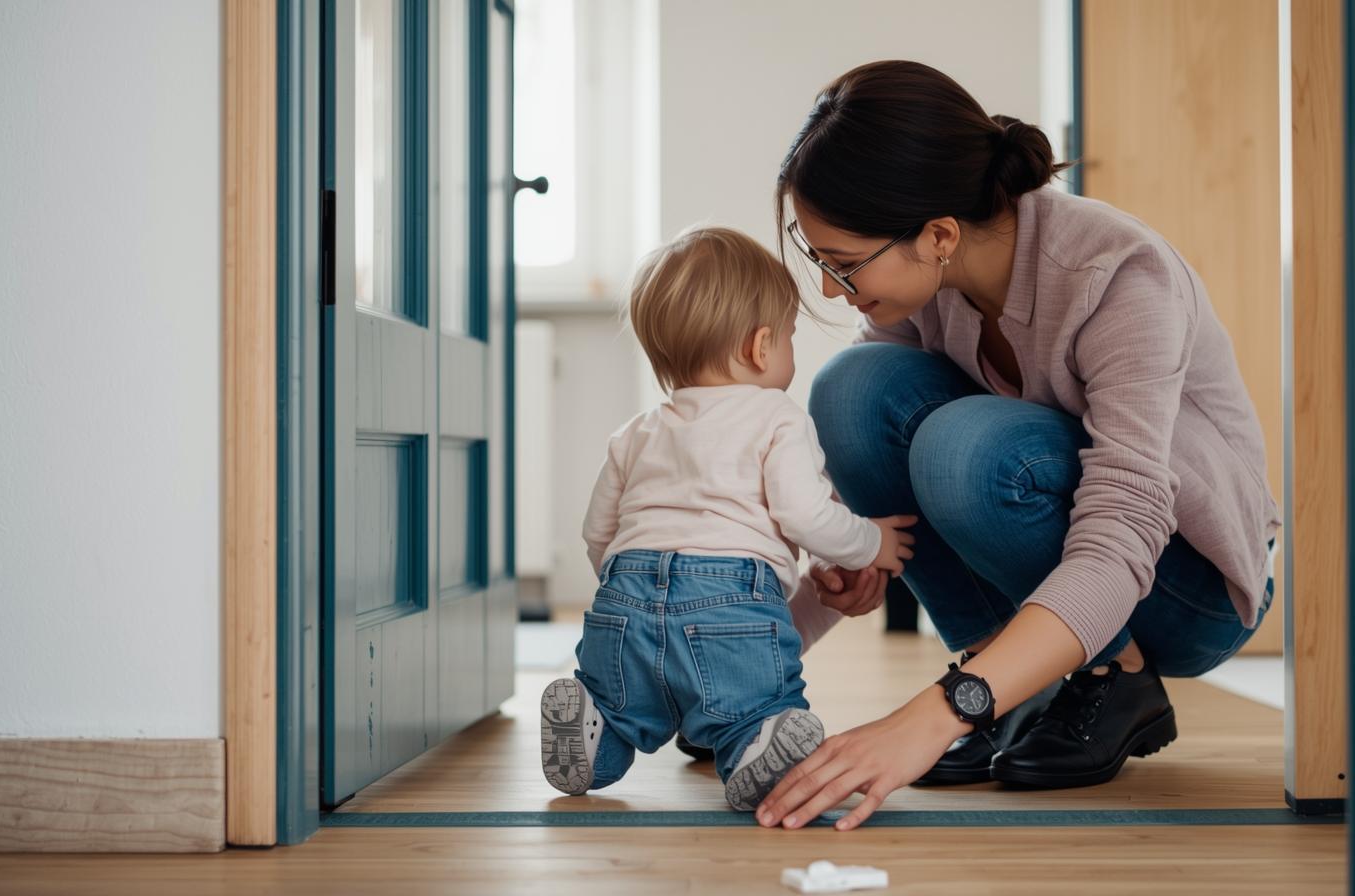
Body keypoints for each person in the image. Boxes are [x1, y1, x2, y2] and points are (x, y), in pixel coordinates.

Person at [756, 60, 1281, 831]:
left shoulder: (1117, 274)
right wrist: (844, 556)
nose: (833, 289)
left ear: (938, 235)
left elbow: (1125, 534)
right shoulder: (928, 283)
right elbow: (869, 427)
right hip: (1079, 557)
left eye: (844, 264)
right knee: (854, 387)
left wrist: (936, 716)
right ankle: (1014, 671)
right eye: (821, 262)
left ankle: (1117, 672)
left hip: (1185, 584)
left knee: (967, 446)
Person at [539, 226, 916, 811]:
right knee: (754, 706)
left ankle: (596, 726)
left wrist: (628, 590)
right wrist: (871, 544)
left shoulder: (638, 431)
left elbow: (598, 533)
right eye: (790, 336)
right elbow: (806, 514)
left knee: (623, 708)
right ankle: (756, 748)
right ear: (761, 347)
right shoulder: (776, 416)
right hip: (729, 602)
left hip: (625, 599)